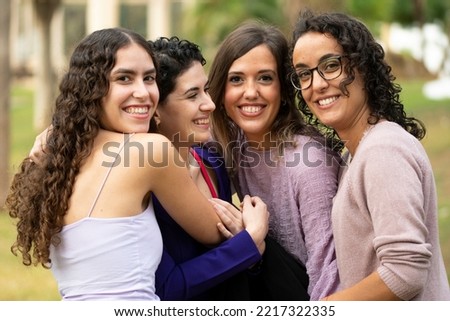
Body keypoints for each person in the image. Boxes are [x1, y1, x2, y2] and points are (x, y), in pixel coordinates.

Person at [5, 27, 267, 301]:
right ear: (93, 87)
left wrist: (54, 131)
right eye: (124, 78)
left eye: (149, 78)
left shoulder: (59, 157)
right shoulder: (149, 150)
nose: (142, 92)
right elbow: (217, 232)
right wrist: (254, 234)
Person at [291, 10, 450, 300]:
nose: (317, 84)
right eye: (304, 74)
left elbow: (405, 273)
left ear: (362, 67)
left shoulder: (383, 150)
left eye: (331, 65)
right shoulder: (357, 153)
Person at [208, 20, 341, 300]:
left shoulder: (308, 163)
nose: (251, 92)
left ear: (283, 90)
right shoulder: (236, 143)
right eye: (236, 79)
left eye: (265, 78)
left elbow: (328, 274)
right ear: (220, 92)